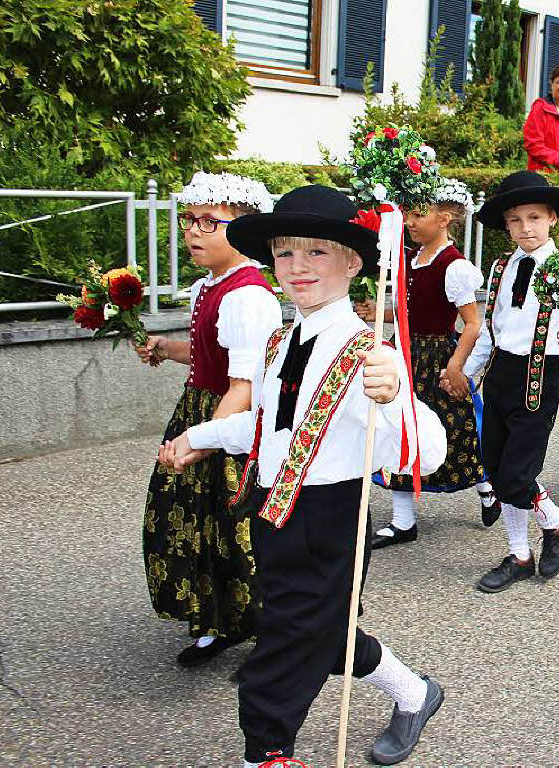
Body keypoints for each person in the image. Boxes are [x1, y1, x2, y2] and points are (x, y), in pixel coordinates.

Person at [160, 185, 449, 766]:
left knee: (279, 661)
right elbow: (267, 428)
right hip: (273, 513)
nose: (298, 267)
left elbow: (429, 452)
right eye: (286, 253)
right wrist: (200, 437)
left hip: (330, 522)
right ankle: (415, 693)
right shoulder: (279, 342)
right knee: (324, 635)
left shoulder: (368, 353)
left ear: (353, 262)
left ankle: (266, 753)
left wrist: (396, 397)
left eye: (318, 253)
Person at [135, 171, 281, 668]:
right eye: (189, 220)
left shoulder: (249, 296)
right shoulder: (211, 285)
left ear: (242, 231)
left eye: (209, 222)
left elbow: (243, 384)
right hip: (201, 406)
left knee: (236, 525)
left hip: (231, 420)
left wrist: (204, 439)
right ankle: (220, 619)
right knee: (200, 523)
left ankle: (269, 633)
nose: (194, 231)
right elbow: (207, 354)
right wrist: (165, 348)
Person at [466, 170, 559, 592]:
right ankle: (519, 554)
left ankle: (556, 520)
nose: (525, 228)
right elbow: (493, 328)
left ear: (552, 219)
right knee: (493, 465)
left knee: (516, 473)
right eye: (515, 220)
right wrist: (470, 371)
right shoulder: (500, 268)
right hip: (502, 373)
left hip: (538, 378)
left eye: (534, 218)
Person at [355, 178, 499, 549]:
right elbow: (408, 311)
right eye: (408, 213)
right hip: (404, 354)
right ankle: (404, 521)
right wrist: (379, 312)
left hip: (437, 357)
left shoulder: (454, 266)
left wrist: (456, 367)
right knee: (398, 428)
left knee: (455, 429)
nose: (410, 221)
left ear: (445, 218)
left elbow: (472, 323)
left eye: (418, 214)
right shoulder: (410, 258)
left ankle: (487, 487)